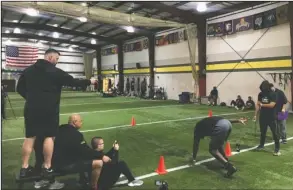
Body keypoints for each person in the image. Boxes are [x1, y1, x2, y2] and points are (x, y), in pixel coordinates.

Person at [16, 49, 97, 179]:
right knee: (49, 137)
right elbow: (73, 82)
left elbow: (19, 88)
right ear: (51, 57)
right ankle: (47, 166)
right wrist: (89, 81)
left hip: (31, 108)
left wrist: (31, 98)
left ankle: (24, 167)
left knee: (30, 137)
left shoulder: (28, 71)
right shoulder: (56, 72)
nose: (57, 61)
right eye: (57, 59)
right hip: (50, 110)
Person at [52, 114, 108, 190]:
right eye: (80, 121)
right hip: (65, 166)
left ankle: (83, 180)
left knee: (81, 157)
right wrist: (101, 155)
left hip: (55, 163)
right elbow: (86, 151)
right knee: (98, 163)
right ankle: (94, 187)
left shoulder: (60, 129)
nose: (81, 123)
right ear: (74, 122)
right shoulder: (77, 135)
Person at [253, 80, 280, 156]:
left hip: (271, 117)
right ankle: (261, 145)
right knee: (262, 133)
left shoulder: (273, 94)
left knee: (275, 133)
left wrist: (262, 105)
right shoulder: (260, 94)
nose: (262, 89)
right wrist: (255, 115)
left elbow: (272, 105)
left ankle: (277, 149)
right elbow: (258, 104)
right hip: (263, 117)